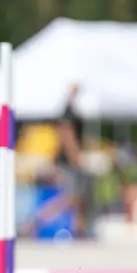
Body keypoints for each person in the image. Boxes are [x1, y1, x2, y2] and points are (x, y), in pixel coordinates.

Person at [55, 85, 97, 238]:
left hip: (72, 161)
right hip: (70, 162)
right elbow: (67, 136)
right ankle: (37, 222)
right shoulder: (69, 111)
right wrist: (77, 159)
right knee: (71, 197)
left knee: (77, 198)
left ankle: (79, 230)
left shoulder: (72, 110)